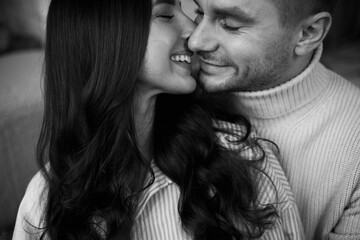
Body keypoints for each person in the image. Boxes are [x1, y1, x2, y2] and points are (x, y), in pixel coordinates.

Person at [12, 0, 304, 239]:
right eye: (165, 14)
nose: (194, 30)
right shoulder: (43, 203)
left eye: (185, 10)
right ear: (107, 40)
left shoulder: (237, 156)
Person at [188, 0, 360, 239]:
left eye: (230, 25)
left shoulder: (355, 142)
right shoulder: (172, 90)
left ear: (308, 33)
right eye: (199, 12)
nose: (195, 41)